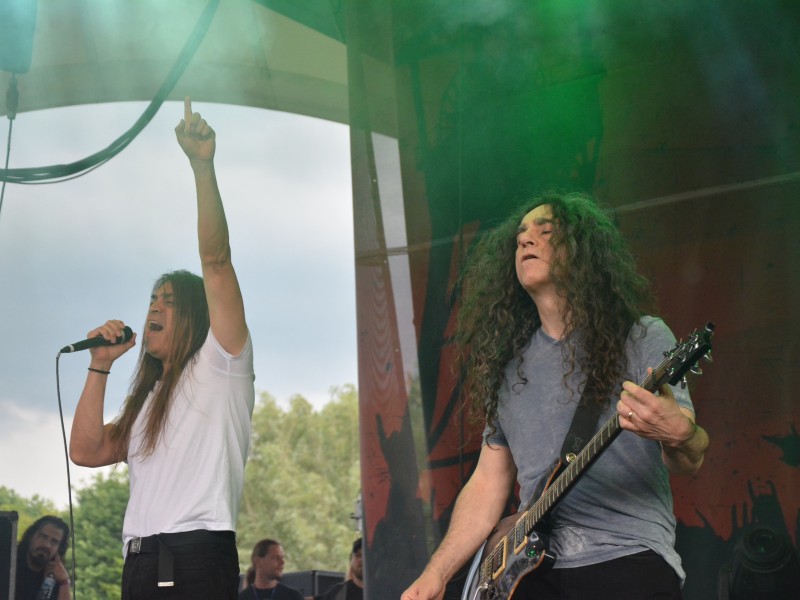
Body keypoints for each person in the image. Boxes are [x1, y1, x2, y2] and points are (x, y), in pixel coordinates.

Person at [401, 192, 710, 600]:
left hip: (627, 557)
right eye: (521, 236)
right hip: (531, 571)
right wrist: (436, 574)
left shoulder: (641, 337)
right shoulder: (507, 367)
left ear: (583, 254)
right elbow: (489, 482)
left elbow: (692, 456)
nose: (526, 240)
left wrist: (678, 435)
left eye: (546, 232)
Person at [69, 97, 254, 600]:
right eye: (152, 298)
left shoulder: (222, 362)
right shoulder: (150, 398)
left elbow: (216, 260)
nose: (154, 307)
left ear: (195, 315)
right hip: (141, 559)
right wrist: (99, 365)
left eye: (168, 301)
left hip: (195, 554)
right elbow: (85, 451)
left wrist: (201, 166)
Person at [14, 515, 71, 600]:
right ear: (31, 536)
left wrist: (64, 582)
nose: (47, 545)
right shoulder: (10, 559)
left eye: (54, 542)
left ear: (59, 548)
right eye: (43, 537)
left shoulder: (56, 575)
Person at [239, 539, 303, 600]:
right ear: (258, 561)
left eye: (282, 557)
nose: (282, 562)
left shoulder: (293, 596)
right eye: (276, 558)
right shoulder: (241, 598)